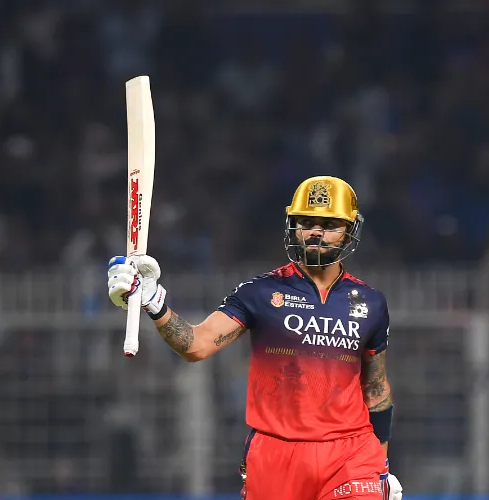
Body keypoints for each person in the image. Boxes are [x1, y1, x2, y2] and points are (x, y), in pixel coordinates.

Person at [107, 176, 403, 500]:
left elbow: (376, 391)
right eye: (308, 222)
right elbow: (196, 345)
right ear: (294, 226)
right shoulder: (259, 293)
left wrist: (382, 467)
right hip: (274, 454)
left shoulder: (371, 302)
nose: (316, 232)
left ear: (349, 230)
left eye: (330, 224)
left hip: (352, 454)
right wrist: (154, 303)